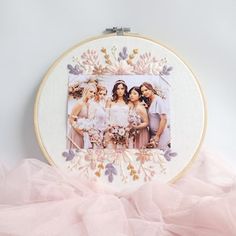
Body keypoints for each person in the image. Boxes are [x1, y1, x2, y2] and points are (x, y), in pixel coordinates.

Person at [140, 82, 170, 150]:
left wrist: (157, 136)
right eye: (142, 91)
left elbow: (164, 119)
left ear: (151, 89)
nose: (144, 92)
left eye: (146, 90)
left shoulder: (158, 100)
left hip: (161, 134)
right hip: (153, 134)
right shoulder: (150, 101)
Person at [67, 83, 97, 149]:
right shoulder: (79, 103)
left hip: (84, 133)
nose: (92, 94)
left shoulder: (88, 104)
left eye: (94, 93)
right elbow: (71, 120)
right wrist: (81, 132)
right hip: (77, 132)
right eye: (91, 92)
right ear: (86, 91)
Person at [105, 80, 130, 148]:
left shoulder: (129, 102)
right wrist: (110, 129)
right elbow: (106, 117)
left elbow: (131, 118)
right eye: (118, 88)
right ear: (115, 90)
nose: (120, 91)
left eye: (122, 89)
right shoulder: (110, 101)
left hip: (124, 132)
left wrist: (127, 130)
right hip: (112, 131)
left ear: (125, 90)